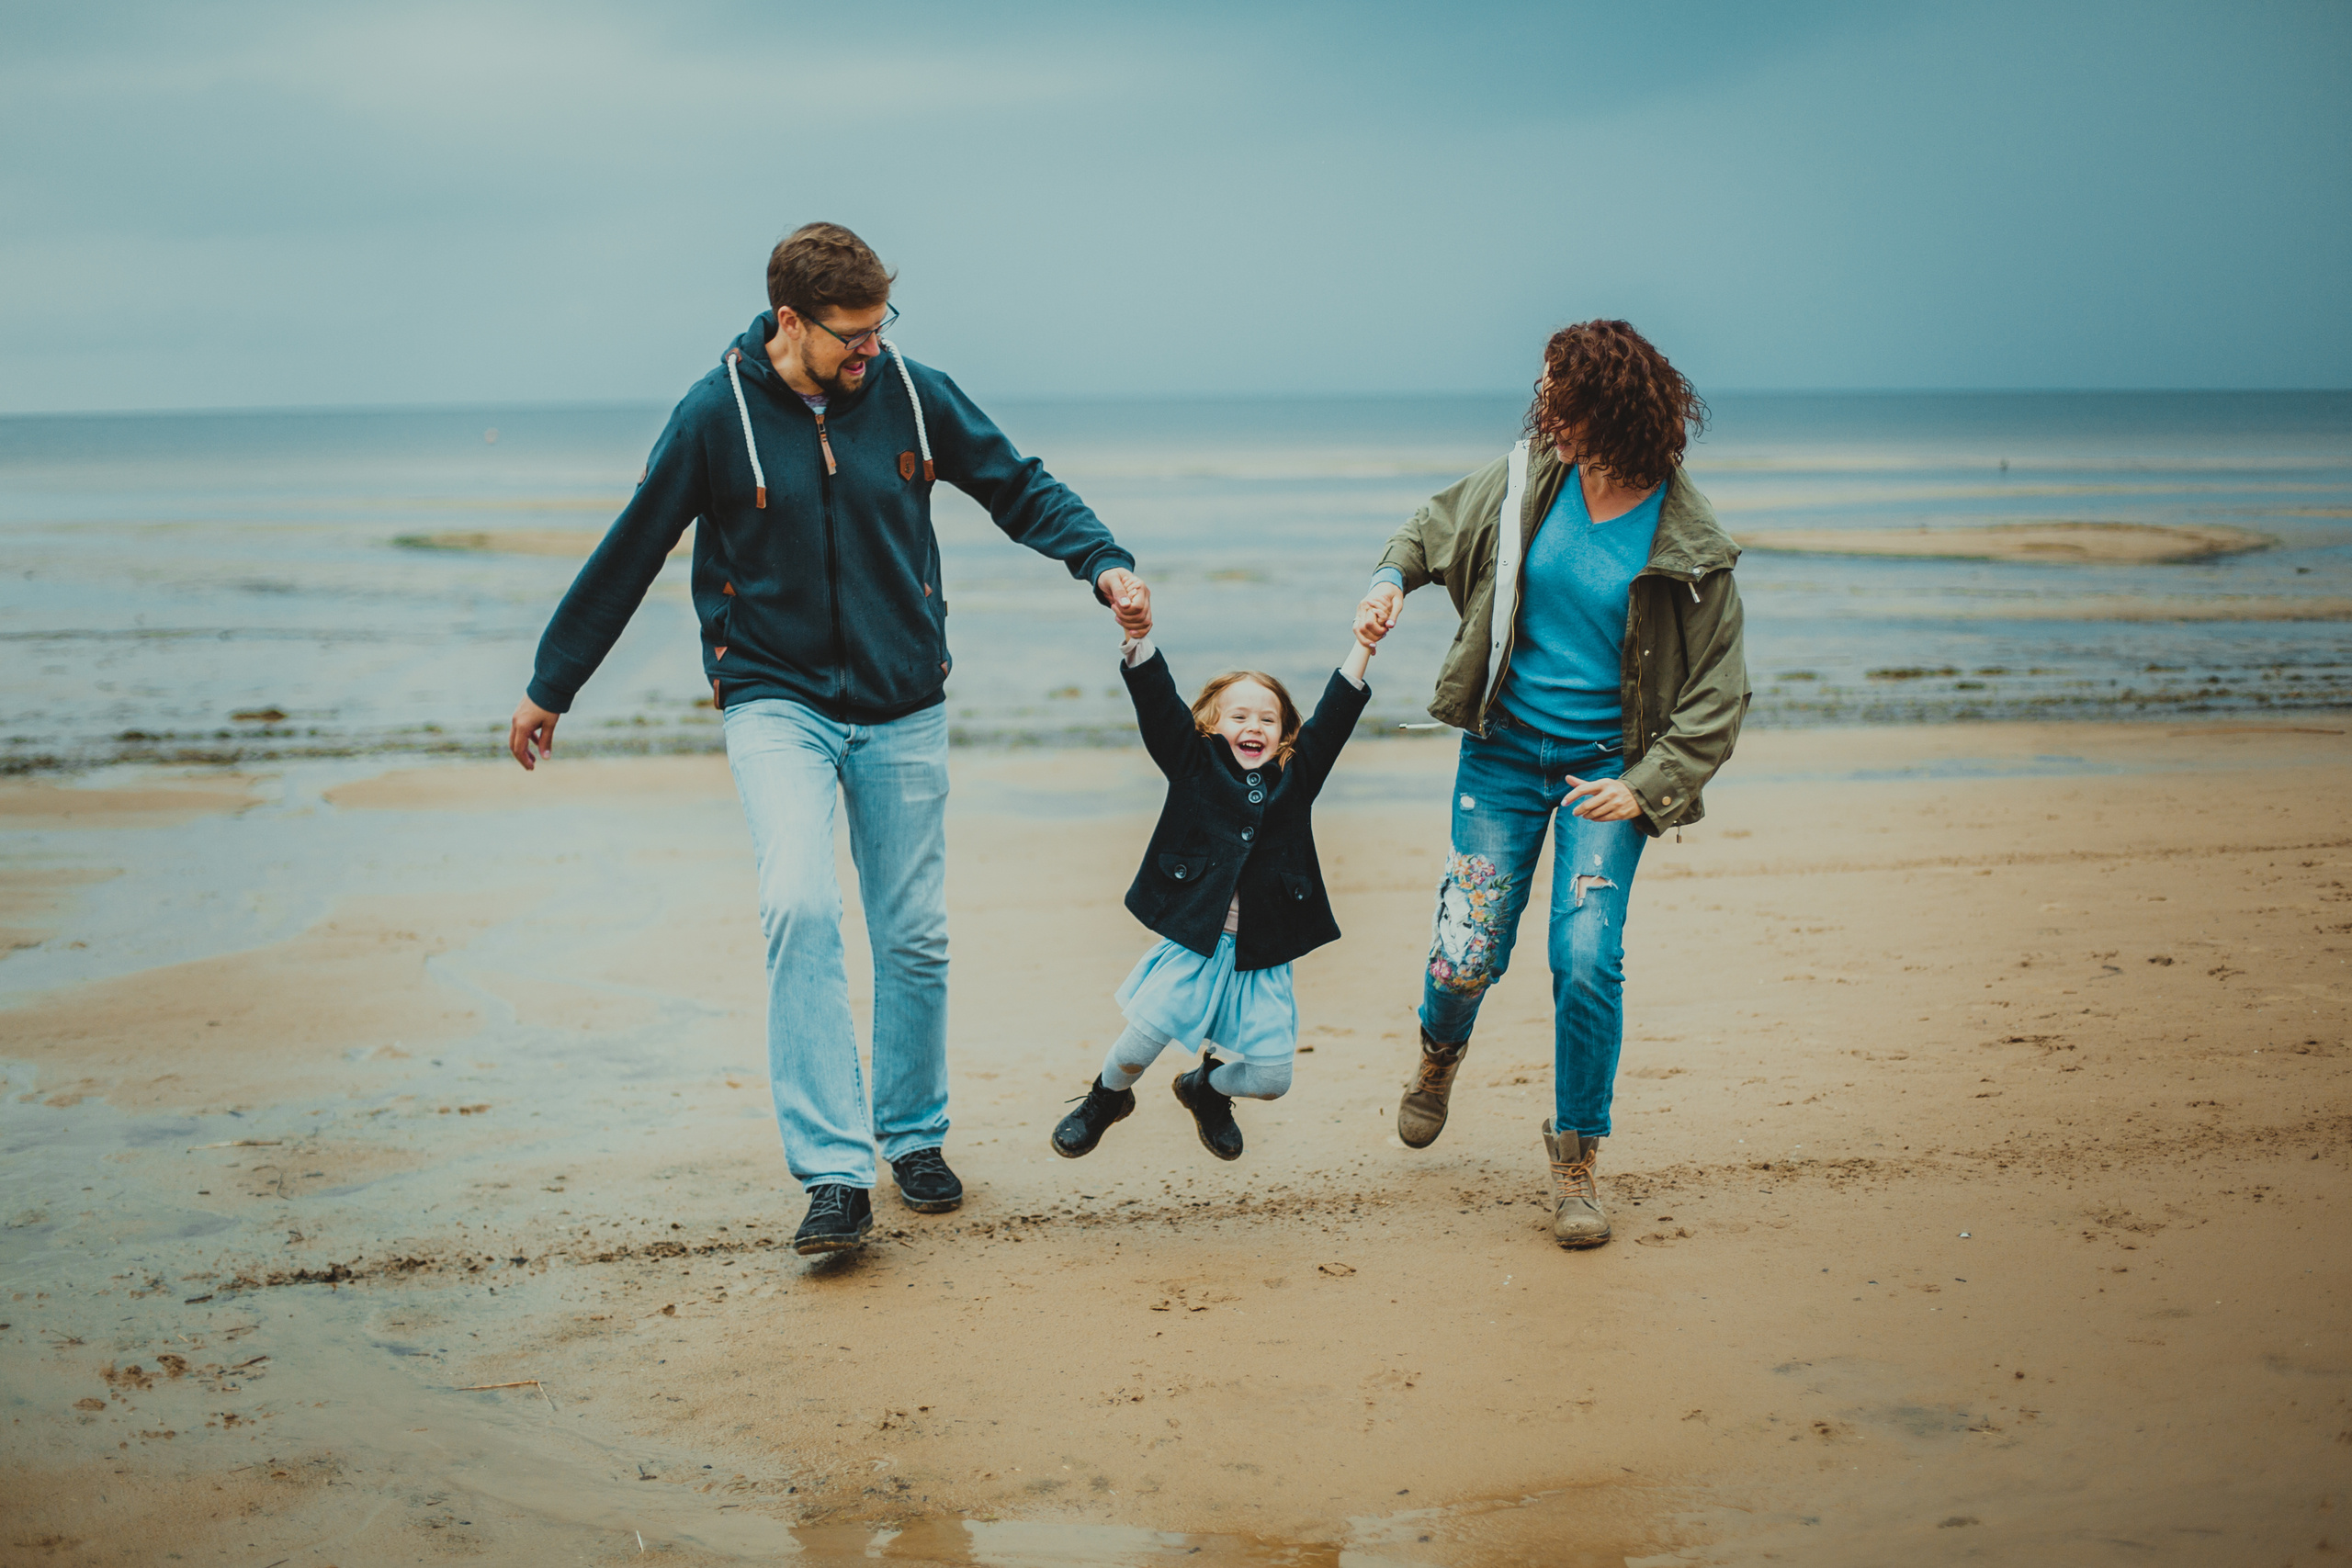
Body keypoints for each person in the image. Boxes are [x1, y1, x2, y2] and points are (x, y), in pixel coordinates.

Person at [507, 222, 1151, 1256]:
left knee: (912, 934)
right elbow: (635, 545)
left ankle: (913, 1137)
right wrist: (553, 682)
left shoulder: (909, 389)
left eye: (877, 328)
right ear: (789, 322)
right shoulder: (715, 414)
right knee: (798, 905)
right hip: (775, 699)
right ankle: (835, 1175)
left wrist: (1101, 561)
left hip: (904, 699)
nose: (868, 350)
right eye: (849, 334)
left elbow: (1016, 484)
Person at [1353, 319, 1748, 1249]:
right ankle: (1439, 1054)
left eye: (1558, 399)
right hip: (1500, 755)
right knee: (1467, 950)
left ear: (1608, 407)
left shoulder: (1689, 541)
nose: (1543, 411)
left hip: (1603, 776)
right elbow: (1430, 526)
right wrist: (1388, 582)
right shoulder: (1530, 477)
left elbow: (1718, 692)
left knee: (1583, 957)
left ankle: (1575, 1159)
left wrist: (1647, 784)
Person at [1050, 622, 1374, 1163]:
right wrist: (1136, 639)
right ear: (1208, 723)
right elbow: (1157, 704)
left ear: (1284, 733)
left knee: (1272, 1080)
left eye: (1268, 719)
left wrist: (1364, 645)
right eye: (1240, 716)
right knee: (1137, 1046)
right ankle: (1105, 1100)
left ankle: (1206, 1088)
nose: (1255, 726)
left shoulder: (1298, 778)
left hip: (1263, 958)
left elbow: (1335, 717)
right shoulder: (1193, 765)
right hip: (1196, 943)